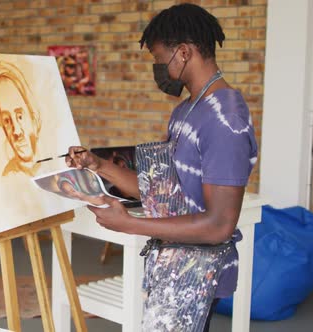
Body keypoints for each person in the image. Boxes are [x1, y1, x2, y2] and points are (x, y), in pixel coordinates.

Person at [66, 3, 257, 332]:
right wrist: (98, 164)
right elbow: (161, 191)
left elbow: (219, 226)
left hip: (198, 272)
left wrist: (128, 225)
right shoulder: (185, 112)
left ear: (183, 52)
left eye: (159, 60)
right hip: (171, 266)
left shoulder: (225, 120)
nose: (159, 70)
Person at [0, 60, 42, 177]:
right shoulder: (7, 179)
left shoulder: (57, 161)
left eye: (20, 116)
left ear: (32, 113)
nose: (16, 131)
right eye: (6, 120)